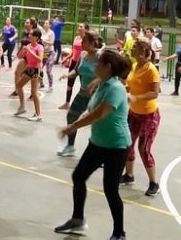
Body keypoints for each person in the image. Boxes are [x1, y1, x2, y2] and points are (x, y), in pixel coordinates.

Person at [55, 50, 132, 240]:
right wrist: (77, 121)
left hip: (116, 146)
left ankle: (119, 233)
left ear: (108, 67)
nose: (95, 66)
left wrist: (72, 127)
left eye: (99, 64)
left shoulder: (115, 88)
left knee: (110, 190)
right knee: (79, 176)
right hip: (98, 143)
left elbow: (99, 114)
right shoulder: (103, 84)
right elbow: (90, 110)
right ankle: (77, 219)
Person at [121, 40, 162, 196]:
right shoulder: (134, 66)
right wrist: (121, 88)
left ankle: (154, 183)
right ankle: (129, 175)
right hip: (133, 114)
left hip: (149, 115)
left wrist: (136, 98)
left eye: (135, 48)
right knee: (127, 144)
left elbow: (154, 93)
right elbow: (130, 86)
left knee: (144, 149)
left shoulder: (151, 70)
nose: (132, 49)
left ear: (144, 52)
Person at [57, 30, 100, 157]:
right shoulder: (82, 54)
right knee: (71, 116)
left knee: (97, 123)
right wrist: (67, 75)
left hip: (97, 95)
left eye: (84, 41)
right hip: (82, 93)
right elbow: (76, 71)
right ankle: (70, 146)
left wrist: (95, 83)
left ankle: (101, 154)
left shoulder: (100, 56)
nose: (82, 43)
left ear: (92, 43)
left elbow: (107, 74)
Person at [15, 29, 44, 122]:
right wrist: (22, 50)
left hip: (36, 70)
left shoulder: (39, 47)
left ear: (36, 37)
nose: (29, 35)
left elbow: (39, 59)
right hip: (29, 69)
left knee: (34, 92)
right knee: (19, 85)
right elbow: (19, 56)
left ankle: (38, 115)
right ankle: (22, 106)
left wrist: (30, 51)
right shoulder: (28, 45)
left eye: (31, 34)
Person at [60, 22, 87, 110]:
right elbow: (73, 51)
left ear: (85, 29)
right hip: (73, 63)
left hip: (82, 64)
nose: (79, 28)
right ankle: (67, 103)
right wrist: (65, 58)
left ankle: (83, 105)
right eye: (79, 26)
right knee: (69, 84)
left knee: (83, 85)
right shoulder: (76, 37)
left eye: (81, 26)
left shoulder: (87, 39)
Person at [41, 19, 56, 92]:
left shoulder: (51, 33)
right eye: (44, 23)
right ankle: (41, 83)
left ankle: (50, 86)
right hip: (43, 53)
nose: (45, 24)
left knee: (48, 70)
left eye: (46, 23)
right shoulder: (42, 32)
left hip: (50, 53)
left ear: (50, 25)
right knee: (39, 68)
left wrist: (44, 41)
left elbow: (51, 43)